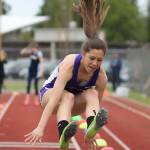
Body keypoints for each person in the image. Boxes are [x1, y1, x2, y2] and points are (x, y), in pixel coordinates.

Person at [24, 0, 110, 149]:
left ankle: (83, 133)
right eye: (92, 58)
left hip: (74, 105)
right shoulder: (70, 64)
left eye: (100, 60)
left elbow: (95, 104)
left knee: (92, 94)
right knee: (67, 95)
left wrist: (91, 133)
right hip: (50, 97)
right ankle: (63, 132)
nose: (95, 63)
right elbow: (55, 98)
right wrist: (40, 127)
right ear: (83, 54)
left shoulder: (101, 77)